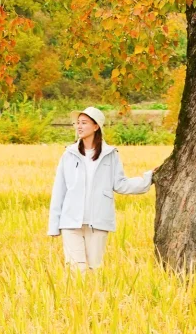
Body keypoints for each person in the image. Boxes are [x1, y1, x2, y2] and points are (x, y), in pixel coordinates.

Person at [47, 105, 155, 271]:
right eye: (77, 123)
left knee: (94, 268)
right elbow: (59, 190)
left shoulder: (110, 155)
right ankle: (77, 297)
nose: (79, 126)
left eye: (84, 123)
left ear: (96, 126)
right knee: (76, 270)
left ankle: (91, 298)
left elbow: (121, 184)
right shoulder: (69, 154)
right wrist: (54, 225)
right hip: (70, 222)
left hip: (98, 222)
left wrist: (149, 178)